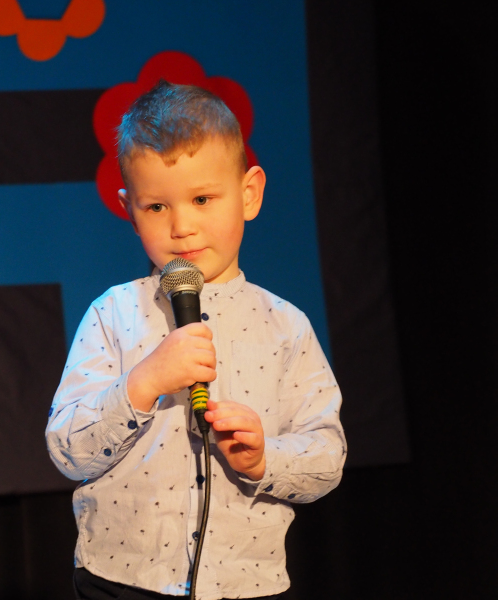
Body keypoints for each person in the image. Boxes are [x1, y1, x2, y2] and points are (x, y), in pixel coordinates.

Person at [46, 80, 346, 600]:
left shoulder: (286, 326)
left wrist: (264, 459)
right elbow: (69, 451)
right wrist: (143, 383)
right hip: (123, 580)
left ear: (249, 194)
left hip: (245, 585)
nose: (181, 226)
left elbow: (327, 457)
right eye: (156, 207)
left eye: (202, 198)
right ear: (129, 209)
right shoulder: (113, 314)